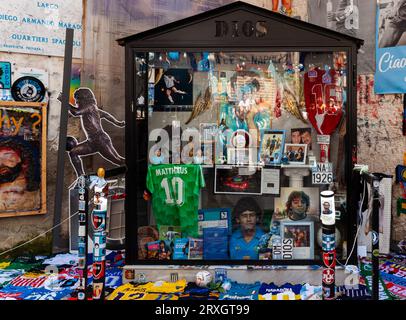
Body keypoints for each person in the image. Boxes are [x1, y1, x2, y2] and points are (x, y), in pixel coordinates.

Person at [58, 88, 125, 177]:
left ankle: (136, 168)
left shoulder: (90, 106)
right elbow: (106, 115)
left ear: (83, 98)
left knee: (118, 161)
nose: (76, 103)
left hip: (101, 140)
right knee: (73, 152)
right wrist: (118, 123)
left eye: (77, 100)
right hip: (91, 142)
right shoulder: (93, 109)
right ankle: (81, 178)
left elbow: (75, 112)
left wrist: (65, 101)